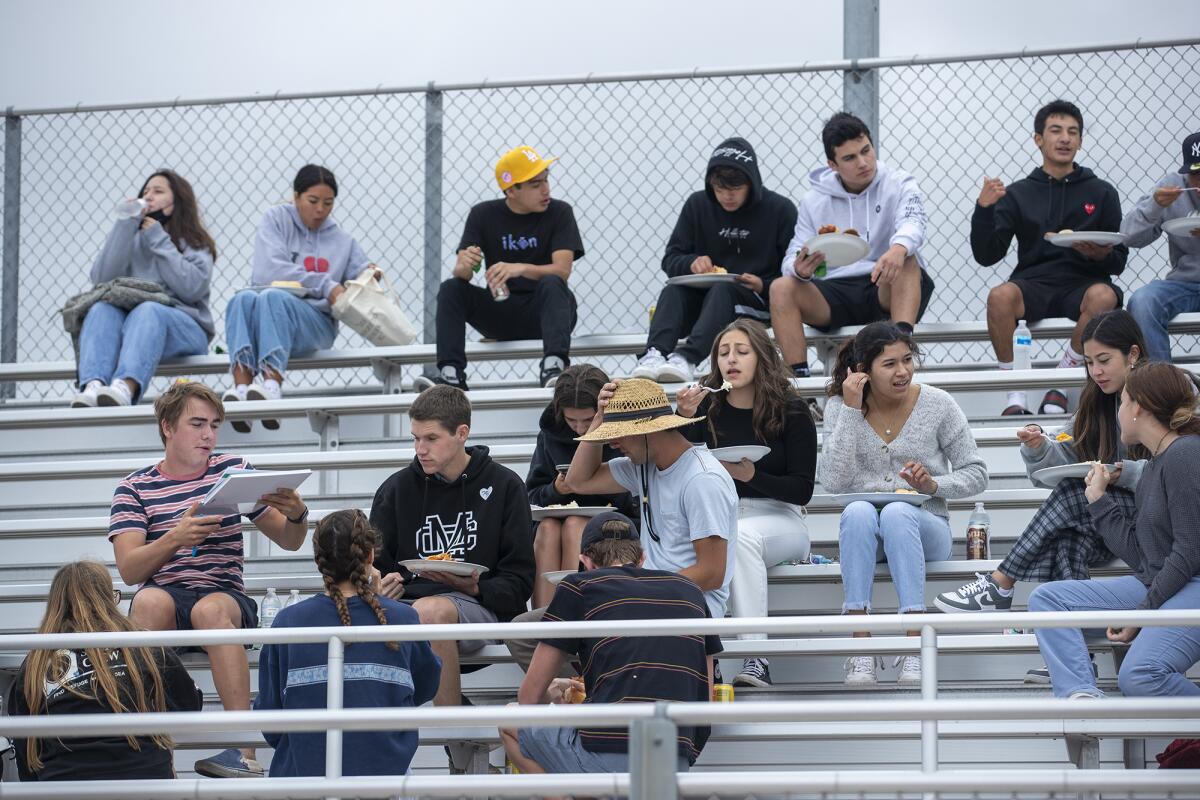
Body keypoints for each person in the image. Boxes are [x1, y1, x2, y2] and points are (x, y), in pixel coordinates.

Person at [108, 381, 310, 778]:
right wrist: (175, 539)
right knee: (148, 603)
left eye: (214, 425)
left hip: (223, 597)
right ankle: (151, 754)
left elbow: (288, 540)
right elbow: (130, 571)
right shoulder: (135, 487)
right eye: (197, 424)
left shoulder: (231, 470)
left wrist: (299, 515)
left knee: (211, 609)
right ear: (167, 427)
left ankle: (243, 752)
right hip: (165, 596)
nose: (209, 435)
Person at [935, 312, 1146, 608]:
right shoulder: (1096, 402)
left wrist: (1125, 473)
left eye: (1104, 360)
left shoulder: (1164, 390)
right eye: (1088, 362)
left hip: (1157, 523)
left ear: (1132, 354)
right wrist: (1038, 447)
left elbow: (1180, 466)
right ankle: (1078, 640)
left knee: (1074, 494)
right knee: (1066, 542)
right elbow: (1060, 454)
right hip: (1113, 523)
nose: (1096, 371)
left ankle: (1001, 582)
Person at [819, 322, 988, 686]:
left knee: (897, 511)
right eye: (890, 364)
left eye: (907, 360)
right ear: (863, 370)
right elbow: (832, 481)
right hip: (867, 537)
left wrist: (933, 483)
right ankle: (861, 645)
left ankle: (915, 646)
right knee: (858, 510)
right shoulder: (840, 407)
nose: (903, 372)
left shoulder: (938, 404)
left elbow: (977, 473)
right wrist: (850, 410)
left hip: (928, 529)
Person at [500, 511, 721, 775]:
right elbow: (704, 705)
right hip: (672, 762)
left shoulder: (578, 586)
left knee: (509, 717)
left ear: (585, 561)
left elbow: (528, 698)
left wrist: (554, 695)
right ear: (641, 559)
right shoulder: (690, 590)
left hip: (605, 757)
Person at [1028, 361, 1200, 699]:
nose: (1119, 411)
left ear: (1139, 407)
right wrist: (1099, 501)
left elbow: (1190, 550)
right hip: (1158, 583)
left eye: (1122, 402)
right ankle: (1081, 697)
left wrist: (1143, 613)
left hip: (1192, 586)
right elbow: (1143, 556)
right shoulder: (1154, 466)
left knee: (1140, 675)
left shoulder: (1186, 453)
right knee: (1048, 599)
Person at [369, 384, 535, 707]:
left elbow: (519, 584)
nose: (420, 449)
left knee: (430, 610)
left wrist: (473, 587)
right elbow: (374, 567)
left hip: (484, 612)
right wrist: (380, 585)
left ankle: (452, 734)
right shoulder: (395, 490)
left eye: (431, 438)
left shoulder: (505, 486)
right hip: (411, 611)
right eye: (415, 438)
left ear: (462, 433)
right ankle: (454, 739)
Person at [675, 319, 816, 688]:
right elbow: (679, 467)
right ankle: (704, 659)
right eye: (723, 353)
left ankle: (757, 658)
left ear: (761, 357)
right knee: (702, 545)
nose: (731, 360)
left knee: (737, 540)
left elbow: (802, 490)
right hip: (721, 516)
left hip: (781, 517)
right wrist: (684, 418)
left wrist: (751, 477)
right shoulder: (707, 410)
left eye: (741, 351)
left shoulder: (792, 411)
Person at [970, 99, 1128, 416]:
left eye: (1072, 132)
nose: (1065, 138)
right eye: (1055, 131)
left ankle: (1059, 385)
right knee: (999, 297)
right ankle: (1014, 392)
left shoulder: (1102, 191)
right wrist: (984, 210)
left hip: (1083, 283)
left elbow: (1119, 259)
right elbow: (987, 255)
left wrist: (1099, 254)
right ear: (1038, 139)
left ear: (1081, 141)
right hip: (1034, 282)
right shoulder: (1017, 193)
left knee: (1103, 295)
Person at [255, 509, 440, 777]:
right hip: (382, 778)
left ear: (319, 561)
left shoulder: (288, 621)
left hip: (301, 778)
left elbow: (269, 716)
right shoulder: (402, 618)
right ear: (371, 555)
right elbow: (425, 687)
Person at [770, 112, 935, 378]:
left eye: (866, 151)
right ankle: (800, 391)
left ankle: (902, 351)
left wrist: (897, 248)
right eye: (849, 158)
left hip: (885, 284)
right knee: (781, 287)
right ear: (832, 164)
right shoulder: (814, 200)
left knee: (905, 256)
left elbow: (913, 222)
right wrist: (799, 268)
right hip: (834, 292)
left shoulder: (900, 182)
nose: (863, 162)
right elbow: (792, 255)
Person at [5, 561, 201, 781]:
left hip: (63, 786)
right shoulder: (144, 645)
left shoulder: (37, 662)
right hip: (145, 782)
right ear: (108, 598)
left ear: (55, 605)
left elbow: (24, 749)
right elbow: (189, 705)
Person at [564, 377, 738, 620]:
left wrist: (639, 591)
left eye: (619, 434)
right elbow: (578, 481)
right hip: (650, 598)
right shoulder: (645, 466)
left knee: (563, 622)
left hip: (689, 605)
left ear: (646, 430)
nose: (613, 444)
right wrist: (599, 418)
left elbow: (711, 573)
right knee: (538, 624)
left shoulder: (702, 479)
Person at [417, 145, 584, 391]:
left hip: (548, 313)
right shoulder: (483, 215)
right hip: (500, 312)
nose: (546, 189)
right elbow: (462, 274)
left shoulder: (560, 212)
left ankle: (554, 368)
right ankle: (451, 375)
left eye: (546, 180)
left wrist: (519, 268)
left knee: (552, 282)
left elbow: (562, 270)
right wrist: (464, 266)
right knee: (451, 288)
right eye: (536, 185)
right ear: (511, 190)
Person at [224, 164, 378, 431]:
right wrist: (326, 284)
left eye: (328, 203)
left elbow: (359, 275)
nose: (320, 210)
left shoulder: (343, 240)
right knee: (241, 299)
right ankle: (242, 391)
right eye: (313, 201)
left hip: (315, 323)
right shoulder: (275, 219)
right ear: (296, 197)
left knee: (272, 297)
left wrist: (369, 275)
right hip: (267, 313)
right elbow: (268, 271)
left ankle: (271, 388)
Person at [632, 137, 797, 382]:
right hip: (704, 302)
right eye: (719, 190)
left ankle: (687, 358)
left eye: (734, 190)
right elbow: (670, 260)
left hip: (755, 302)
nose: (726, 197)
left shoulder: (780, 210)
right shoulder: (697, 205)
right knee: (673, 289)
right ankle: (655, 353)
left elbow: (792, 272)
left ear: (751, 184)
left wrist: (764, 284)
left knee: (724, 289)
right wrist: (691, 263)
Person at [72, 170, 216, 408]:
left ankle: (125, 387)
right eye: (145, 192)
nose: (148, 197)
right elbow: (102, 279)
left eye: (158, 192)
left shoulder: (194, 241)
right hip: (136, 330)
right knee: (100, 309)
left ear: (177, 201)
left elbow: (191, 288)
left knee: (149, 309)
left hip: (185, 329)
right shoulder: (130, 238)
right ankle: (93, 385)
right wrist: (124, 226)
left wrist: (158, 240)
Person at [525, 363, 638, 608]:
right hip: (557, 522)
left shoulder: (620, 430)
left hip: (616, 522)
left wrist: (592, 482)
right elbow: (532, 495)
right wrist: (556, 490)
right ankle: (544, 617)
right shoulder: (550, 433)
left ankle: (569, 610)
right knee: (548, 527)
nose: (580, 428)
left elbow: (632, 499)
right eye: (571, 420)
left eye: (587, 419)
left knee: (575, 525)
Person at [1123, 131, 1200, 361]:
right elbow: (1127, 236)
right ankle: (1161, 390)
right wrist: (1155, 206)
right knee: (1143, 301)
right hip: (1184, 285)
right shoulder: (1173, 186)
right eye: (1196, 174)